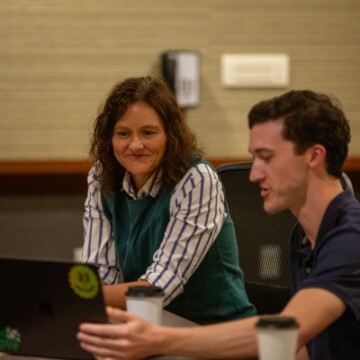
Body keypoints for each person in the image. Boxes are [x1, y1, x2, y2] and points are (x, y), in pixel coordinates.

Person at [77, 89, 360, 360]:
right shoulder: (304, 236)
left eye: (267, 157)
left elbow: (287, 329)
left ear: (314, 156)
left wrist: (157, 339)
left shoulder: (351, 239)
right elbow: (305, 347)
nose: (254, 174)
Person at [80, 76, 256, 325]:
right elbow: (100, 272)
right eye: (123, 133)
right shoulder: (102, 176)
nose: (135, 144)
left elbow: (158, 289)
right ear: (109, 138)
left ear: (170, 135)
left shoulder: (196, 179)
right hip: (149, 324)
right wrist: (82, 296)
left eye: (148, 133)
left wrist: (80, 297)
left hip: (216, 329)